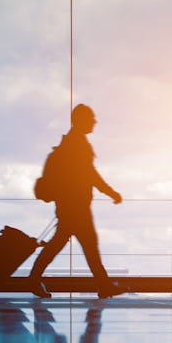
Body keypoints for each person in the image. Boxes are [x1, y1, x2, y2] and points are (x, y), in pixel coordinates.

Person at [29, 104, 124, 298]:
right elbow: (90, 175)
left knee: (64, 244)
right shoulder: (77, 145)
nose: (94, 122)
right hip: (76, 206)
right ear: (81, 120)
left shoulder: (73, 143)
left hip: (70, 205)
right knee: (87, 244)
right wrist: (110, 192)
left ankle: (34, 279)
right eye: (91, 118)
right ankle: (104, 285)